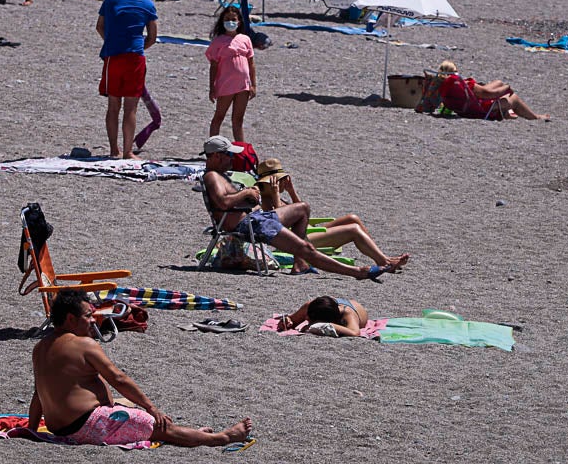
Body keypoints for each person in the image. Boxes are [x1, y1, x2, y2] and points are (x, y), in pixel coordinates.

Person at [28, 290, 251, 447]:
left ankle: (189, 433)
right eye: (88, 316)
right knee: (156, 425)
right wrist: (152, 408)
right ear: (70, 319)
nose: (94, 321)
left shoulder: (40, 348)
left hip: (60, 427)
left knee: (127, 405)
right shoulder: (83, 344)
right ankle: (222, 438)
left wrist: (32, 430)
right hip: (86, 425)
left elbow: (38, 393)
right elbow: (118, 378)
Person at [201, 136, 395, 279]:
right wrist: (246, 194)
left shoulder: (219, 175)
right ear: (216, 156)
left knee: (302, 208)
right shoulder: (212, 176)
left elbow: (227, 200)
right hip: (249, 225)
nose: (231, 159)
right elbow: (223, 202)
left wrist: (249, 196)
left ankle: (299, 263)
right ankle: (357, 272)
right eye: (228, 155)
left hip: (257, 218)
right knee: (306, 247)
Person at [254, 158, 410, 274]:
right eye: (280, 180)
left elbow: (299, 211)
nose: (283, 182)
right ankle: (385, 262)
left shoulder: (276, 194)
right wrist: (276, 196)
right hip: (294, 239)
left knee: (352, 218)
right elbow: (280, 225)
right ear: (270, 182)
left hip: (306, 231)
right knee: (353, 230)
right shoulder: (265, 199)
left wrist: (291, 191)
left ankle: (381, 256)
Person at [97, 0, 158, 159]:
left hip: (113, 55)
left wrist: (112, 41)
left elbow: (100, 26)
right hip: (134, 57)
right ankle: (128, 151)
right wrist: (138, 46)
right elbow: (152, 37)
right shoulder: (148, 4)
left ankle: (114, 150)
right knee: (131, 107)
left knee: (113, 105)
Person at [436, 60, 549, 120]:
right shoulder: (464, 84)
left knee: (498, 82)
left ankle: (507, 112)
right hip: (479, 109)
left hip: (463, 108)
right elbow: (488, 94)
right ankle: (535, 116)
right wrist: (507, 88)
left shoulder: (442, 85)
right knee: (513, 99)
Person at [206, 6, 256, 142]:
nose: (230, 22)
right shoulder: (218, 42)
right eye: (227, 19)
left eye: (233, 19)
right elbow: (214, 65)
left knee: (238, 119)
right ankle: (213, 148)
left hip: (243, 86)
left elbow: (251, 63)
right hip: (225, 84)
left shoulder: (245, 39)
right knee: (219, 116)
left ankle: (241, 150)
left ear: (239, 21)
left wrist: (253, 85)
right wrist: (212, 87)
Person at [276, 296, 370, 337]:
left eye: (310, 319)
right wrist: (286, 321)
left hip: (354, 307)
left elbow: (355, 333)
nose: (306, 319)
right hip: (328, 305)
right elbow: (291, 320)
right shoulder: (310, 306)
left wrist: (322, 325)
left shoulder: (347, 313)